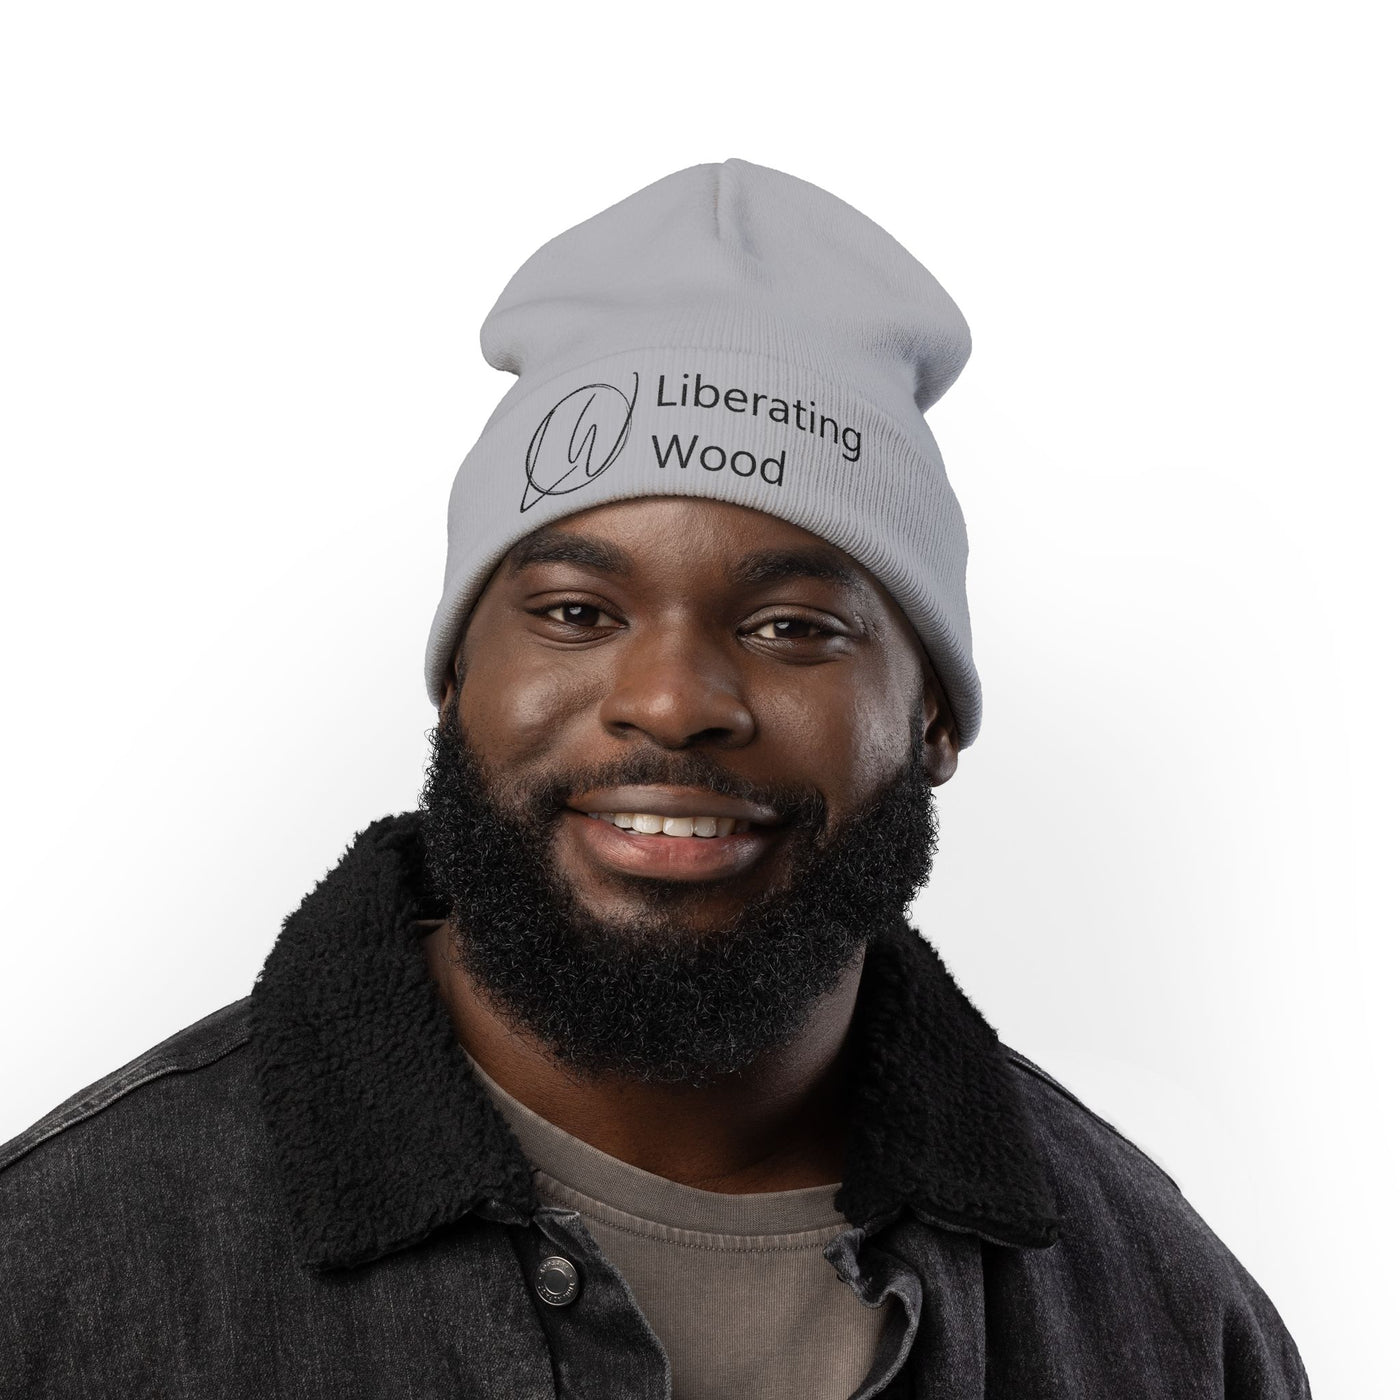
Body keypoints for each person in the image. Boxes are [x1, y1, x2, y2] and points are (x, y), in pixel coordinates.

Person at [0, 158, 1311, 1399]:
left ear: (933, 721)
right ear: (457, 679)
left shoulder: (1162, 1316)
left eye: (793, 626)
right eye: (577, 613)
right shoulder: (59, 1276)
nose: (674, 702)